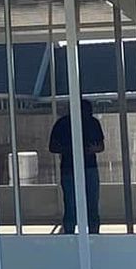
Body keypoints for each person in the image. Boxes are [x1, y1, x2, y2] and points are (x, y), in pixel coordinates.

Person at [49, 98, 106, 234]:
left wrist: (87, 149)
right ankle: (77, 234)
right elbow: (52, 147)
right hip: (74, 168)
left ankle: (89, 234)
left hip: (84, 168)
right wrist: (71, 149)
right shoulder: (65, 124)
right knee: (73, 204)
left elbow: (100, 146)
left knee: (87, 204)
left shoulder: (90, 123)